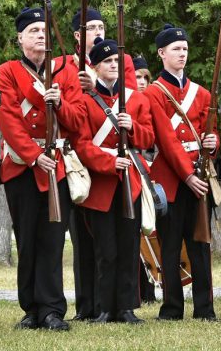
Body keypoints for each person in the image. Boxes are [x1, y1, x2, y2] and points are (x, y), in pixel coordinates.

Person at [0, 7, 85, 331]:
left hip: (56, 166)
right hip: (22, 167)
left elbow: (78, 120)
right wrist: (33, 156)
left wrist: (59, 102)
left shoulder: (65, 72)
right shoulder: (7, 71)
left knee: (52, 240)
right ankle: (31, 309)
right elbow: (8, 119)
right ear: (20, 38)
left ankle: (52, 310)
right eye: (33, 30)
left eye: (44, 30)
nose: (41, 35)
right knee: (27, 239)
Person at [72, 39, 154, 324]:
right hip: (101, 182)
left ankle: (127, 307)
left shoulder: (136, 99)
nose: (113, 66)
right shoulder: (83, 101)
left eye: (117, 62)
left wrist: (132, 129)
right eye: (107, 62)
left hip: (129, 180)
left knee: (129, 246)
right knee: (105, 249)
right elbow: (82, 145)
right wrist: (109, 163)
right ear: (95, 67)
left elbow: (148, 139)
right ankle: (105, 307)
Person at [143, 24, 218, 322]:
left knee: (201, 245)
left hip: (200, 175)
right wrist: (188, 176)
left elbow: (209, 134)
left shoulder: (201, 93)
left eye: (185, 48)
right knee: (171, 248)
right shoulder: (153, 93)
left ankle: (205, 309)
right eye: (176, 49)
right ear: (162, 53)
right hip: (173, 179)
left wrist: (213, 143)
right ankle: (172, 308)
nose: (182, 53)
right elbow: (166, 139)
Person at [132, 54, 157, 303]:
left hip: (148, 167)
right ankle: (140, 290)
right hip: (132, 164)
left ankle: (150, 287)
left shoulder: (149, 101)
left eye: (145, 77)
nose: (141, 81)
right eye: (137, 76)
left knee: (147, 229)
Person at [68, 7, 137, 91]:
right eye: (91, 28)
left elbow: (130, 97)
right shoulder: (66, 64)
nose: (98, 32)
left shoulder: (123, 59)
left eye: (101, 27)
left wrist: (95, 88)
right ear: (78, 35)